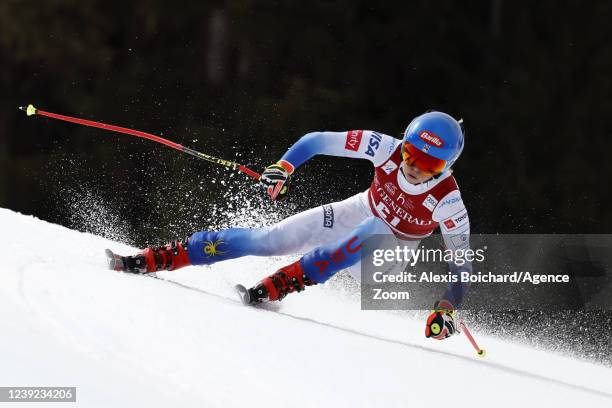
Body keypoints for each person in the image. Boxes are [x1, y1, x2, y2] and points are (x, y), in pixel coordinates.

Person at [109, 111, 471, 341]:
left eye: (430, 164)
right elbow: (317, 141)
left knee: (369, 230)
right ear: (404, 144)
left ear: (447, 167)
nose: (415, 167)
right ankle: (159, 257)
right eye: (412, 154)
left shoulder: (449, 202)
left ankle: (286, 281)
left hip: (388, 253)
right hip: (359, 209)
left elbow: (462, 266)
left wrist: (446, 306)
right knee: (271, 238)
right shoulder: (385, 147)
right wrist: (285, 167)